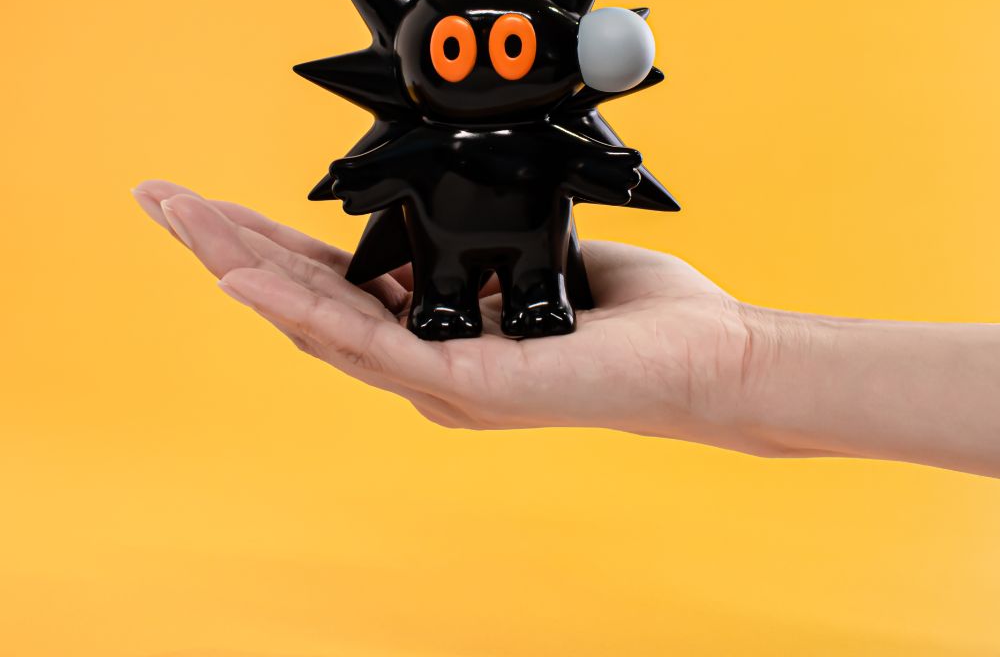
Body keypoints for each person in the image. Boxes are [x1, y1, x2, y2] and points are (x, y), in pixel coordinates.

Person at [132, 180, 1000, 479]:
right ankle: (453, 299)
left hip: (538, 255)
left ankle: (532, 299)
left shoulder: (554, 144)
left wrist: (735, 362)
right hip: (447, 246)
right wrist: (738, 362)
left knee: (533, 269)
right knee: (449, 275)